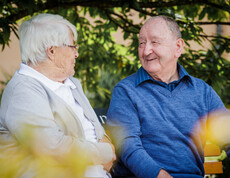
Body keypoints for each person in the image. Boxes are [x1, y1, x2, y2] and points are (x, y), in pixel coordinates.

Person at [107, 15, 229, 178]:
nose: (146, 50)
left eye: (154, 42)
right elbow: (127, 146)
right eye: (141, 43)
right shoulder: (126, 91)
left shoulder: (202, 92)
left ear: (178, 47)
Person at [0, 13, 116, 177]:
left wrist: (106, 146)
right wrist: (104, 152)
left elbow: (96, 129)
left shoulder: (71, 84)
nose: (76, 54)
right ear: (52, 51)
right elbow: (51, 147)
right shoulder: (23, 91)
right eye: (72, 47)